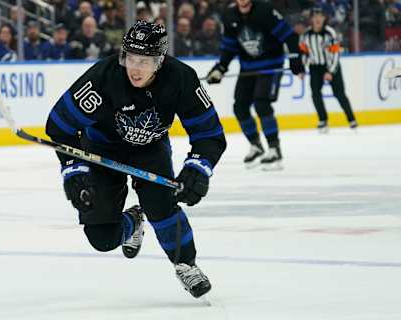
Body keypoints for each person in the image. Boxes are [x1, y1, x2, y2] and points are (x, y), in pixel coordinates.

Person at [45, 21, 226, 298]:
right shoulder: (102, 78)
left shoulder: (180, 79)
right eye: (131, 58)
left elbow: (209, 133)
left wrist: (198, 168)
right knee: (102, 239)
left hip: (150, 150)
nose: (135, 68)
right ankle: (132, 221)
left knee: (163, 208)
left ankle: (185, 264)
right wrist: (73, 169)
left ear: (160, 61)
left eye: (145, 61)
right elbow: (60, 125)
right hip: (101, 152)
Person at [206, 0, 305, 170]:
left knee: (262, 104)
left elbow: (289, 36)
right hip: (248, 68)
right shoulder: (230, 16)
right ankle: (256, 146)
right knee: (240, 107)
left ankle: (274, 149)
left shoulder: (265, 11)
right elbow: (229, 47)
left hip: (270, 66)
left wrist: (295, 58)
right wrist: (220, 68)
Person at [299, 6, 357, 133]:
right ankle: (323, 120)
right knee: (315, 94)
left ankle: (351, 119)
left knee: (339, 94)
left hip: (331, 65)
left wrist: (330, 71)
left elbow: (335, 54)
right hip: (315, 67)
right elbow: (304, 53)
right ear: (311, 19)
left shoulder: (330, 33)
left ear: (324, 18)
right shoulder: (306, 35)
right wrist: (301, 69)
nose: (317, 19)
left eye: (320, 16)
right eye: (314, 16)